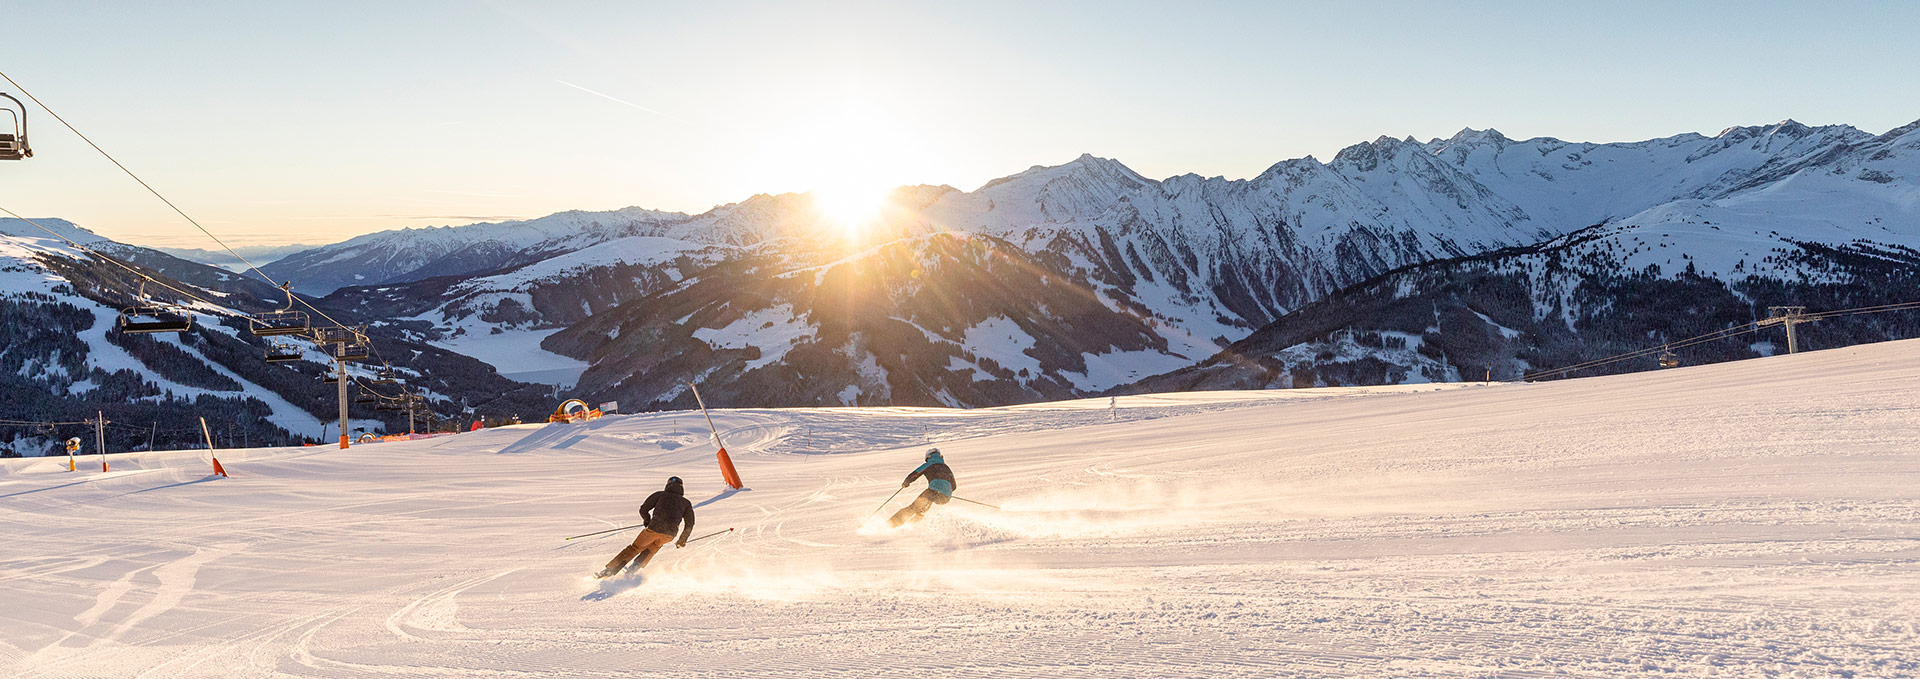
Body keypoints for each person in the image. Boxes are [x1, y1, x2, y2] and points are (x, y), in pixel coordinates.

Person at [596, 476, 696, 578]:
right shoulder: (686, 503)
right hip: (669, 535)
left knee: (634, 548)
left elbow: (643, 509)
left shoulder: (660, 495)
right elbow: (690, 523)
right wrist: (682, 540)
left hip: (654, 528)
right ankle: (634, 568)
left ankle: (610, 570)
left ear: (668, 485)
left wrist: (647, 520)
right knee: (652, 549)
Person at [889, 448, 955, 527]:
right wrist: (945, 490)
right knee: (921, 512)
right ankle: (911, 527)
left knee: (912, 508)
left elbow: (916, 474)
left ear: (928, 457)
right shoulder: (947, 468)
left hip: (932, 492)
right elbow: (954, 486)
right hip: (945, 497)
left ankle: (890, 525)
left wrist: (906, 482)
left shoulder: (929, 464)